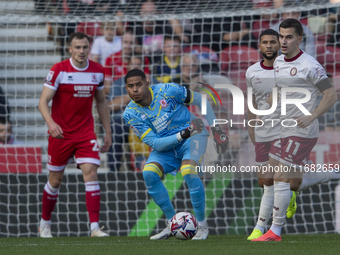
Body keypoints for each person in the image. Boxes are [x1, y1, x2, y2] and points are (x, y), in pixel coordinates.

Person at [252, 19, 338, 242]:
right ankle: (331, 173)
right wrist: (263, 112)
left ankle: (275, 231)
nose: (283, 41)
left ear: (299, 39)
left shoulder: (310, 65)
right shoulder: (279, 61)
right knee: (274, 178)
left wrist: (311, 116)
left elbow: (330, 95)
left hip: (302, 130)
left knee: (281, 177)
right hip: (281, 127)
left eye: (289, 37)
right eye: (281, 36)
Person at [122, 69, 229, 240]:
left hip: (193, 136)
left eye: (139, 85)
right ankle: (173, 223)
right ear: (126, 89)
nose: (135, 90)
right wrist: (183, 134)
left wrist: (216, 130)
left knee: (188, 171)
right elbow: (155, 143)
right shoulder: (130, 114)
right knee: (149, 174)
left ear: (147, 83)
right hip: (171, 143)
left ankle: (202, 226)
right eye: (131, 86)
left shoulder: (168, 90)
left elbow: (200, 99)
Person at [38, 32, 112, 238]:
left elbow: (101, 102)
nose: (81, 51)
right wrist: (51, 123)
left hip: (85, 131)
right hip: (60, 133)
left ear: (89, 48)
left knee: (91, 172)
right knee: (55, 180)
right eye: (77, 47)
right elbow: (42, 102)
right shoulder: (58, 70)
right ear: (70, 49)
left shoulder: (97, 71)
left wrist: (108, 131)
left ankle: (95, 228)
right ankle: (45, 224)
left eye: (85, 47)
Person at [246, 29, 298, 240]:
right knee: (266, 182)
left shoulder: (290, 69)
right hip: (264, 133)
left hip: (287, 131)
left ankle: (261, 227)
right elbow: (252, 106)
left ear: (280, 45)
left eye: (273, 42)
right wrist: (252, 132)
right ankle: (292, 194)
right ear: (259, 46)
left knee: (275, 179)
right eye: (265, 42)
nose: (269, 46)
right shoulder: (251, 72)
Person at [107, 55, 156, 171]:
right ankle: (113, 171)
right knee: (114, 128)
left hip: (149, 119)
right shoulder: (119, 83)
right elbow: (112, 106)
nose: (135, 68)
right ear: (128, 66)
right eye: (133, 65)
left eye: (138, 65)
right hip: (123, 121)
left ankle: (147, 163)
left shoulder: (152, 80)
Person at [104, 30, 150, 95]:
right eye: (126, 42)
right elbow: (107, 87)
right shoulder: (110, 59)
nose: (128, 46)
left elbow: (147, 81)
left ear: (136, 43)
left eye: (131, 43)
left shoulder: (143, 59)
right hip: (118, 95)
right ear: (121, 42)